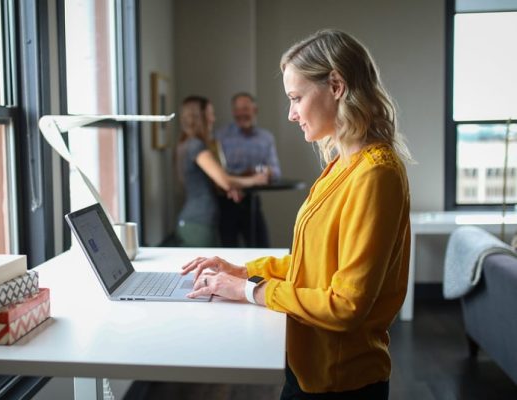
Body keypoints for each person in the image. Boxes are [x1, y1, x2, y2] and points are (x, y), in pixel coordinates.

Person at [181, 29, 412, 399]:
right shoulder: (342, 165)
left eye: (296, 98)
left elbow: (346, 305)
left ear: (336, 85)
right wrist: (244, 271)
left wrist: (249, 291)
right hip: (307, 367)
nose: (291, 114)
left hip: (341, 382)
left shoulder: (375, 174)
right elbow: (315, 266)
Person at [175, 96, 269, 248]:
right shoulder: (196, 146)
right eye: (210, 114)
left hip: (196, 222)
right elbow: (224, 179)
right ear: (200, 117)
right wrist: (255, 180)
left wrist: (230, 188)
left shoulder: (188, 143)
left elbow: (217, 180)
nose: (213, 119)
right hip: (199, 223)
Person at [214, 92, 282, 248]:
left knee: (262, 249)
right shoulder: (220, 136)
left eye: (245, 108)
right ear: (233, 112)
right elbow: (218, 173)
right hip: (226, 203)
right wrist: (245, 178)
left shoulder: (266, 137)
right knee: (228, 253)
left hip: (252, 203)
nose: (241, 113)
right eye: (237, 109)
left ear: (255, 110)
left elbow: (276, 172)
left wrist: (264, 172)